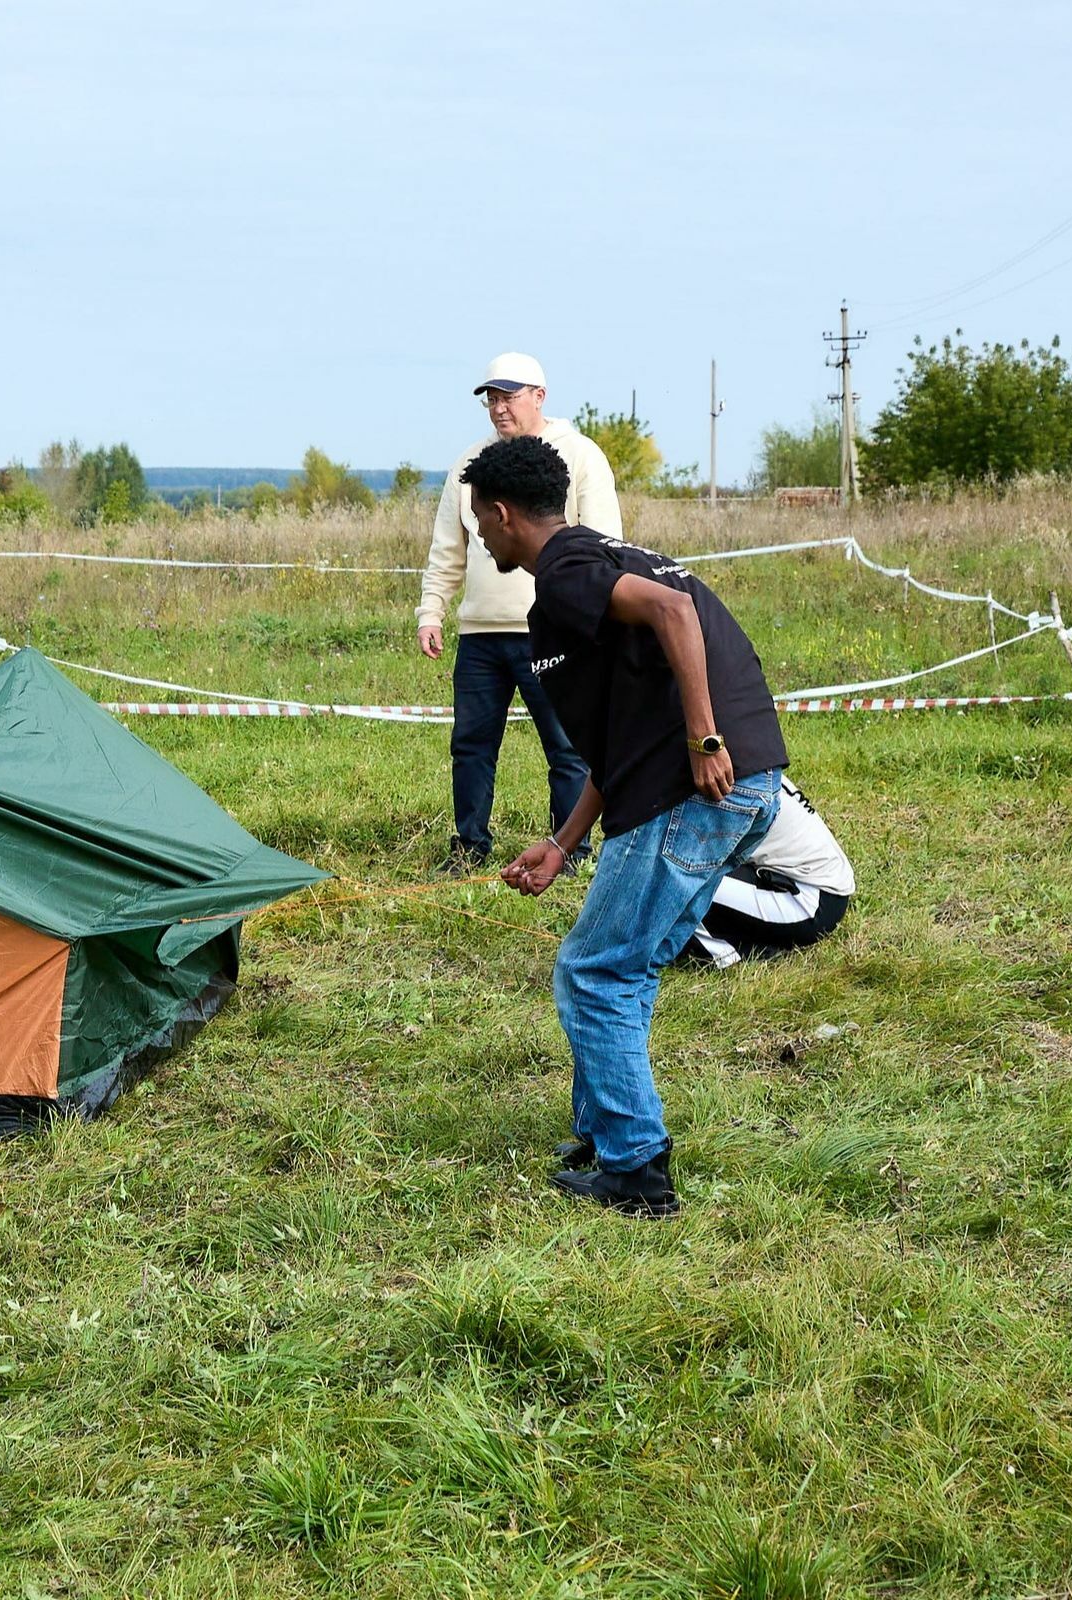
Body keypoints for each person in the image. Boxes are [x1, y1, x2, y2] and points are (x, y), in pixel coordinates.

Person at [467, 435, 787, 1219]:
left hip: (698, 786)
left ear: (505, 515)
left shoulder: (568, 572)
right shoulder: (610, 557)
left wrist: (704, 738)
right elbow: (619, 737)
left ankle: (638, 1173)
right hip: (732, 786)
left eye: (480, 519)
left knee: (595, 970)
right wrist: (562, 842)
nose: (478, 534)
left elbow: (675, 612)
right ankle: (606, 1133)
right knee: (626, 962)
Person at [418, 353, 622, 872]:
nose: (498, 407)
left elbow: (604, 546)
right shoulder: (470, 466)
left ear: (540, 396)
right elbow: (448, 547)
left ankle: (571, 849)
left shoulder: (580, 456)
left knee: (568, 745)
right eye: (491, 397)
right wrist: (431, 612)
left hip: (556, 631)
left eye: (508, 396)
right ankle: (468, 847)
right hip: (482, 634)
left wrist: (596, 620)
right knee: (470, 744)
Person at [680, 775, 854, 968]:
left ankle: (726, 953)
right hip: (792, 878)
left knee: (678, 885)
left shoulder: (717, 774)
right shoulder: (750, 760)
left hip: (809, 902)